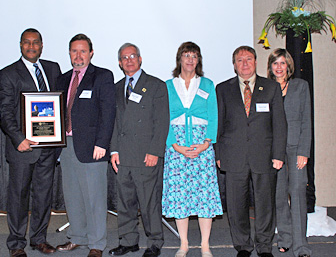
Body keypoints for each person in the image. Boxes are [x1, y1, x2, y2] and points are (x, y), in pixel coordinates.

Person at [215, 46, 287, 257]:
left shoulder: (271, 87)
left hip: (264, 155)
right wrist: (219, 154)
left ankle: (264, 246)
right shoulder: (223, 89)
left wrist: (278, 154)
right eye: (240, 60)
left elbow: (280, 124)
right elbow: (219, 124)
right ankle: (243, 245)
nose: (244, 63)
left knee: (265, 204)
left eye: (248, 59)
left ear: (255, 62)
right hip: (233, 155)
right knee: (237, 205)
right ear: (234, 64)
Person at [0, 28, 62, 257]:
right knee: (18, 197)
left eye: (35, 42)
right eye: (27, 42)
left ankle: (39, 239)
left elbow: (59, 105)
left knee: (44, 195)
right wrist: (18, 138)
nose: (31, 46)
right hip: (23, 149)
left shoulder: (53, 69)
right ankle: (16, 244)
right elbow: (5, 112)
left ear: (42, 45)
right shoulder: (7, 74)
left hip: (48, 147)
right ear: (20, 45)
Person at [55, 34, 116, 257]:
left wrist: (102, 143)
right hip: (65, 145)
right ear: (69, 53)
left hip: (93, 147)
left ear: (91, 53)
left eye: (82, 51)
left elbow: (109, 112)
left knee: (94, 198)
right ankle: (77, 237)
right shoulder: (62, 79)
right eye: (74, 51)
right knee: (72, 195)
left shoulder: (102, 76)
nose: (78, 55)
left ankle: (97, 243)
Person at [162, 42, 222, 257]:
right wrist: (175, 145)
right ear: (180, 59)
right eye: (186, 55)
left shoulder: (207, 84)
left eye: (194, 56)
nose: (190, 59)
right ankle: (184, 243)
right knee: (180, 196)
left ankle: (205, 244)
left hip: (202, 145)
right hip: (177, 145)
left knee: (204, 195)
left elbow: (213, 116)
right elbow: (164, 118)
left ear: (199, 60)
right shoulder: (169, 86)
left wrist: (207, 143)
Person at [109, 43, 169, 257]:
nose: (129, 60)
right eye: (124, 57)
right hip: (123, 156)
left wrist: (155, 151)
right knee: (125, 202)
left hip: (146, 156)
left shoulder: (156, 85)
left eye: (133, 56)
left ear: (140, 59)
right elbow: (113, 122)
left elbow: (162, 122)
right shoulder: (116, 88)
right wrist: (113, 151)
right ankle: (128, 240)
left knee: (149, 202)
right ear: (119, 63)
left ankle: (155, 242)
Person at [267, 48, 312, 257]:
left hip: (295, 150)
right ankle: (284, 238)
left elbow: (306, 121)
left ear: (289, 66)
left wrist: (304, 151)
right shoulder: (266, 88)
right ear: (270, 67)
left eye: (282, 63)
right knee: (278, 197)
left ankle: (301, 245)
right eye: (275, 63)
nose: (279, 67)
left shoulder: (300, 87)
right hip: (274, 151)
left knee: (298, 195)